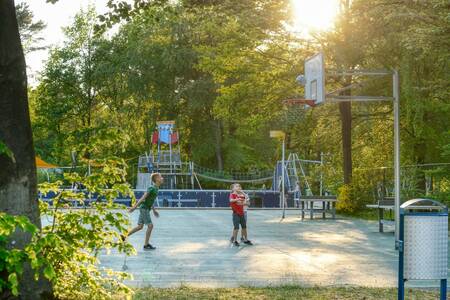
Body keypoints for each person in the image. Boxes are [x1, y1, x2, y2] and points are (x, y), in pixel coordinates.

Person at [122, 173, 162, 250]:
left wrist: (154, 210)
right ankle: (146, 245)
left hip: (145, 208)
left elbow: (151, 200)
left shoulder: (156, 188)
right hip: (144, 209)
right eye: (160, 177)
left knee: (140, 226)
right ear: (156, 179)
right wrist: (134, 207)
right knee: (150, 226)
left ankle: (124, 236)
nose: (162, 178)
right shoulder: (152, 188)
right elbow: (143, 198)